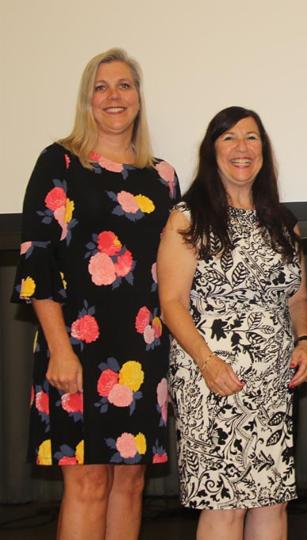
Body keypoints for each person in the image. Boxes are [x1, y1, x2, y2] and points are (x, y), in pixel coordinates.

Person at [11, 48, 179, 539]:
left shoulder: (164, 176)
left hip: (145, 349)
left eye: (124, 85)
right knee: (87, 483)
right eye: (101, 87)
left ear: (139, 97)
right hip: (77, 346)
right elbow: (37, 259)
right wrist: (59, 350)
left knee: (130, 483)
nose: (113, 96)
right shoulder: (60, 162)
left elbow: (175, 266)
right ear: (87, 100)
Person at [158, 106, 307, 540]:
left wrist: (305, 341)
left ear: (264, 149)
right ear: (212, 151)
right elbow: (171, 303)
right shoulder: (189, 217)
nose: (241, 147)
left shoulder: (283, 223)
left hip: (273, 379)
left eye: (251, 137)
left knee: (272, 501)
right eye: (229, 137)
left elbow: (298, 296)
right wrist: (208, 362)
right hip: (211, 377)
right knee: (224, 505)